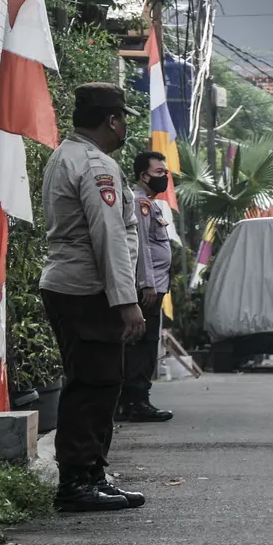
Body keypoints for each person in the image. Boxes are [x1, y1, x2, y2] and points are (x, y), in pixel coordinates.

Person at [39, 83, 147, 513]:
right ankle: (77, 484)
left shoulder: (67, 155)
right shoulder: (94, 164)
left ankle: (92, 475)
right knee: (93, 385)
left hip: (75, 288)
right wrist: (126, 301)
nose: (123, 129)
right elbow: (109, 236)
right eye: (122, 121)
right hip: (87, 291)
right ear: (112, 120)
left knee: (100, 384)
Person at [117, 151, 174, 423]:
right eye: (160, 172)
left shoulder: (150, 203)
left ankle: (132, 400)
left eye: (165, 171)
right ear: (144, 175)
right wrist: (147, 284)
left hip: (155, 285)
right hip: (148, 289)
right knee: (144, 344)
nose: (165, 176)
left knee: (144, 342)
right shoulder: (140, 203)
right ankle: (136, 402)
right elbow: (141, 248)